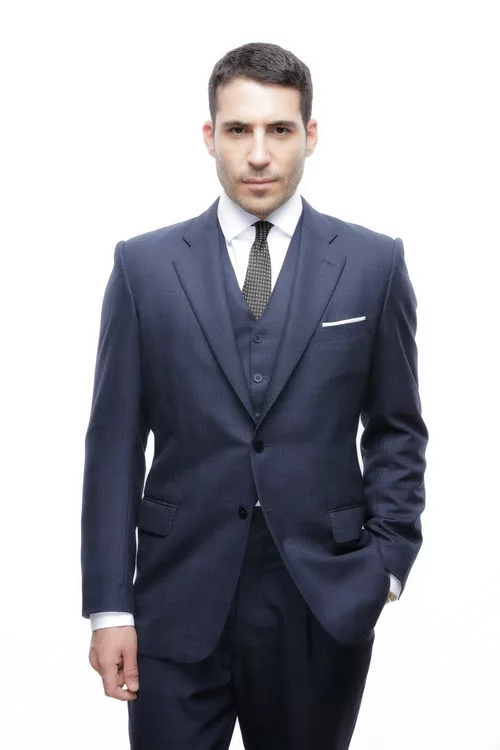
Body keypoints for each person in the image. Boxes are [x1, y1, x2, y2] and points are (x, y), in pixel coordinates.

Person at [81, 41, 428, 750]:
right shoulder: (144, 267)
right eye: (239, 129)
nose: (259, 154)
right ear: (210, 135)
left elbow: (397, 428)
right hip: (176, 600)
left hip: (320, 602)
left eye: (280, 129)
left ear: (311, 134)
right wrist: (109, 607)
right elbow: (114, 446)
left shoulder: (373, 263)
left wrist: (387, 565)